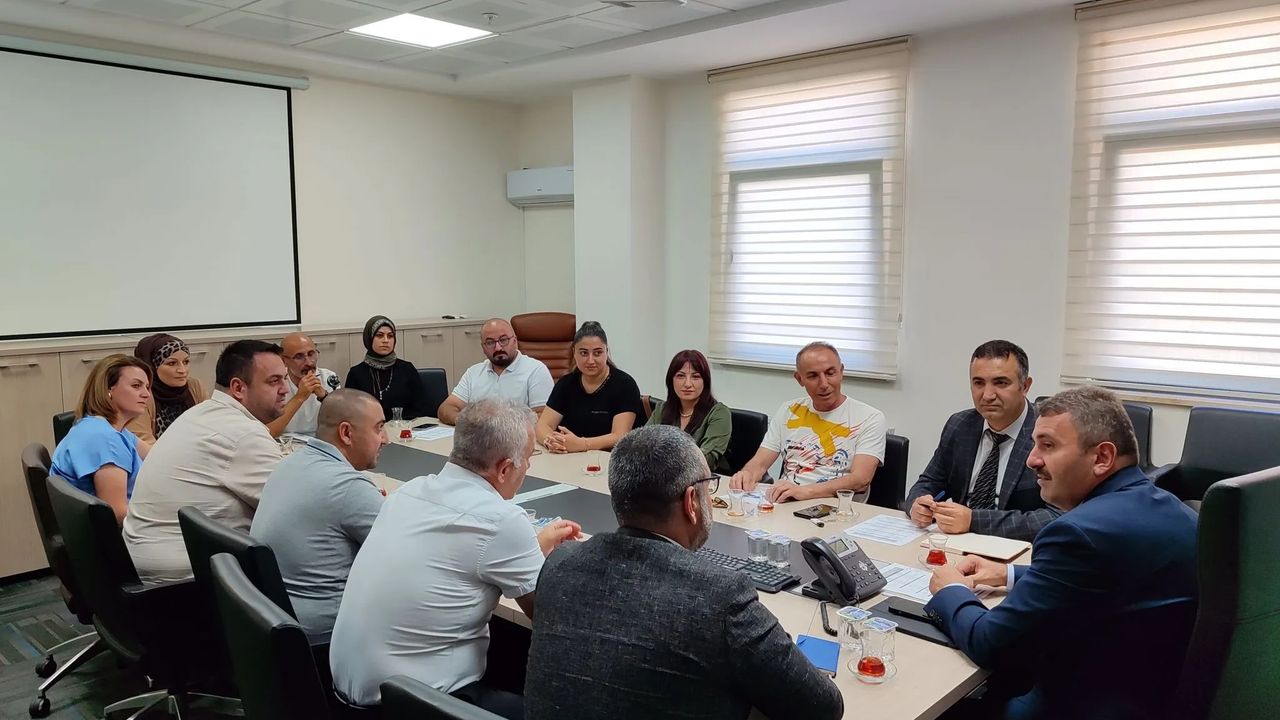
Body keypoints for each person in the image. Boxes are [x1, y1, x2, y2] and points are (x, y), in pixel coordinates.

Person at [524, 425, 843, 720]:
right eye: (708, 487)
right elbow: (823, 708)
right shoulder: (720, 596)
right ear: (691, 501)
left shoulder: (560, 562)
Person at [925, 386, 1198, 720]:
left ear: (1102, 458)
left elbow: (990, 644)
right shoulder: (1174, 509)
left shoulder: (1077, 533)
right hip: (1151, 695)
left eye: (1048, 445)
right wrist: (1007, 573)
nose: (1032, 460)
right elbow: (1113, 577)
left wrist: (951, 589)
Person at [330, 400, 582, 718]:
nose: (528, 468)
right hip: (415, 706)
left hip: (346, 695)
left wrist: (531, 549)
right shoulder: (500, 520)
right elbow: (548, 617)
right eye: (528, 459)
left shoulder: (410, 491)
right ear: (504, 468)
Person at [124, 340, 288, 585]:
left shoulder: (202, 413)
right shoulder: (242, 434)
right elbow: (291, 508)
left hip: (150, 556)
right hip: (183, 577)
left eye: (285, 379)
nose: (285, 389)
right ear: (238, 388)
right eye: (274, 381)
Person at [252, 389, 386, 642]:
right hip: (327, 636)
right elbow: (407, 555)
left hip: (276, 620)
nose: (385, 439)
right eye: (379, 428)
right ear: (346, 433)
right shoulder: (349, 487)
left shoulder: (290, 463)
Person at [905, 340, 1059, 541]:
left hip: (1015, 548)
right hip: (956, 541)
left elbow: (1055, 516)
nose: (987, 395)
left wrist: (974, 520)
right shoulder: (960, 425)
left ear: (1025, 386)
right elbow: (929, 482)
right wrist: (917, 504)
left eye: (1000, 383)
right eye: (978, 383)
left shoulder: (1049, 434)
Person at [729, 342, 886, 503]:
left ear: (841, 372)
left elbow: (860, 480)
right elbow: (760, 463)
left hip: (836, 506)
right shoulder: (789, 410)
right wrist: (747, 474)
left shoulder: (870, 417)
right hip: (786, 501)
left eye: (830, 373)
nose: (824, 384)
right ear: (799, 379)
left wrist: (805, 491)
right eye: (813, 376)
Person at [51, 354, 152, 523]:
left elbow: (157, 457)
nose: (146, 394)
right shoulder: (105, 439)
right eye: (136, 386)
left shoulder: (103, 426)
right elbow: (117, 513)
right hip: (120, 533)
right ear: (108, 390)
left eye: (147, 387)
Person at [536, 321, 643, 453]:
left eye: (597, 353)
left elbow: (620, 436)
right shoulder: (566, 384)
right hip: (568, 456)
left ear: (606, 352)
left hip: (609, 458)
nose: (590, 360)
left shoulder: (625, 384)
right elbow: (543, 425)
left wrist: (582, 444)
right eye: (584, 353)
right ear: (574, 353)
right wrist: (551, 442)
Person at [437, 318, 554, 425]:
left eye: (503, 340)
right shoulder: (473, 372)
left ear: (515, 341)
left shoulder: (536, 370)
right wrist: (465, 422)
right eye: (490, 342)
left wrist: (499, 427)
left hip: (518, 438)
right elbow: (447, 407)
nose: (498, 347)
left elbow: (544, 417)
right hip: (478, 437)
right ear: (483, 348)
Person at [645, 349, 732, 474]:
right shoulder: (662, 409)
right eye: (680, 376)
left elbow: (706, 459)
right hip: (660, 476)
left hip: (702, 479)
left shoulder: (719, 413)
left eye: (695, 377)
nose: (687, 384)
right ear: (671, 380)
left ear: (705, 381)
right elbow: (644, 444)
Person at [127, 333, 209, 445]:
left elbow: (211, 427)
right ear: (151, 366)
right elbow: (142, 443)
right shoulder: (141, 394)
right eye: (172, 363)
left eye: (186, 362)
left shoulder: (194, 386)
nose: (182, 370)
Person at [345, 315, 430, 422]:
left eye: (390, 336)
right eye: (379, 335)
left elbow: (421, 408)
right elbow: (351, 413)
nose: (385, 340)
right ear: (369, 338)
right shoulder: (356, 374)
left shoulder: (407, 369)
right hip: (370, 429)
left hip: (406, 427)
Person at [269, 332, 341, 437]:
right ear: (283, 360)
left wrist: (324, 397)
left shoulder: (328, 377)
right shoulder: (275, 384)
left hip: (320, 440)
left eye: (311, 354)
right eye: (299, 357)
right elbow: (270, 432)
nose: (309, 363)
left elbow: (341, 421)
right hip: (285, 441)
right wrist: (300, 397)